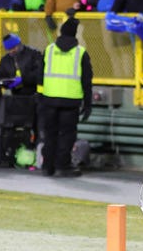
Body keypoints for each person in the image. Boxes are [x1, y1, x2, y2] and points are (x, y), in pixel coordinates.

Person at [39, 10, 93, 177]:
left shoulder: (49, 50)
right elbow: (86, 80)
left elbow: (41, 75)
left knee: (50, 134)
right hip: (71, 101)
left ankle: (47, 166)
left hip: (49, 99)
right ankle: (63, 165)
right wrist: (88, 103)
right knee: (67, 135)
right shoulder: (80, 53)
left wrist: (41, 97)